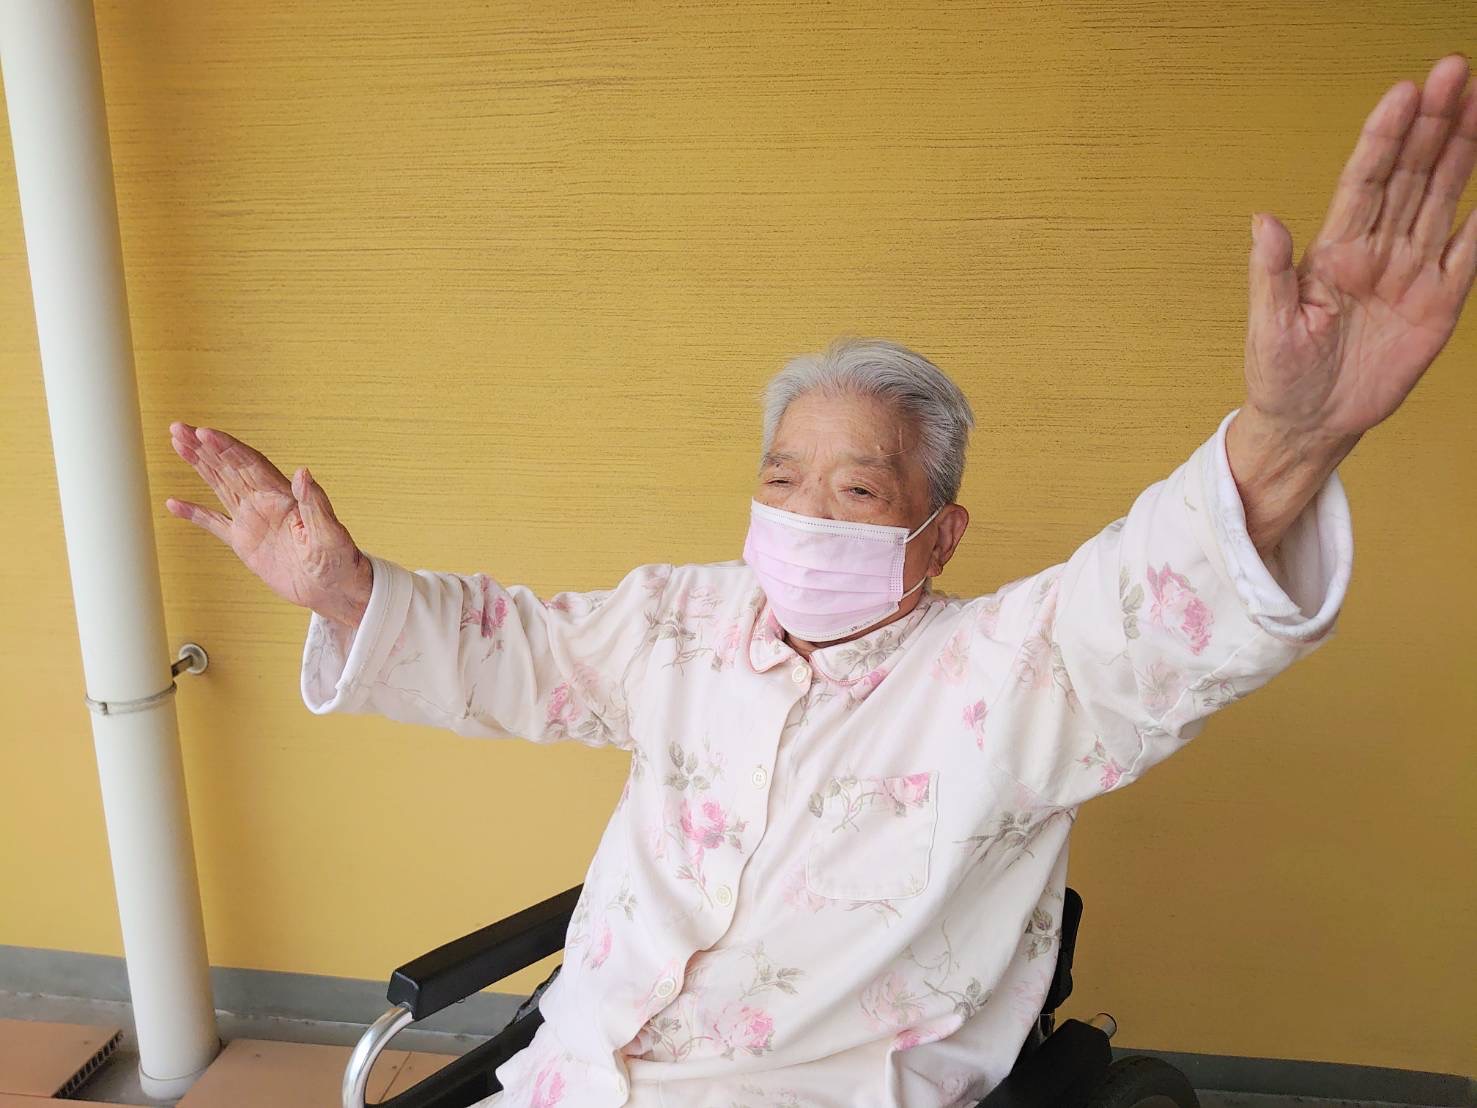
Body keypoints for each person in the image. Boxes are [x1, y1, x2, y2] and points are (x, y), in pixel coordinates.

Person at [165, 53, 1475, 1108]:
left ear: (940, 536)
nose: (803, 514)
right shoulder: (678, 620)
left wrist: (1294, 435)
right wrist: (344, 589)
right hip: (578, 1067)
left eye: (856, 492)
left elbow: (1147, 601)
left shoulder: (1009, 673)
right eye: (782, 478)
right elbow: (515, 651)